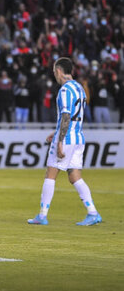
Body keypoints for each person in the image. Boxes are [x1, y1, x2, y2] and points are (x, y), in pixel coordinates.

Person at [28, 57, 102, 226]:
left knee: (51, 174)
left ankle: (42, 215)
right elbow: (74, 116)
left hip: (67, 138)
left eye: (54, 71)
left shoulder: (64, 90)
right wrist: (56, 133)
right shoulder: (80, 88)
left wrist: (60, 139)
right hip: (79, 138)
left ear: (59, 71)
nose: (54, 74)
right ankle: (93, 213)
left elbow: (67, 115)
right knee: (75, 176)